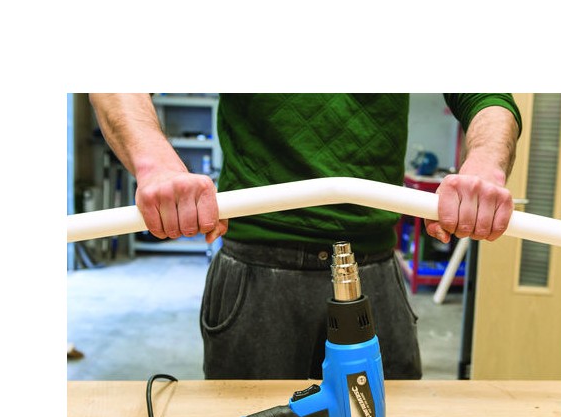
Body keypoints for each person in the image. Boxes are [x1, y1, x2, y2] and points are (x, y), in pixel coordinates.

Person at [89, 93, 521, 380]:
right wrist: (157, 165)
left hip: (373, 271)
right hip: (257, 274)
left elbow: (487, 95)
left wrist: (485, 162)